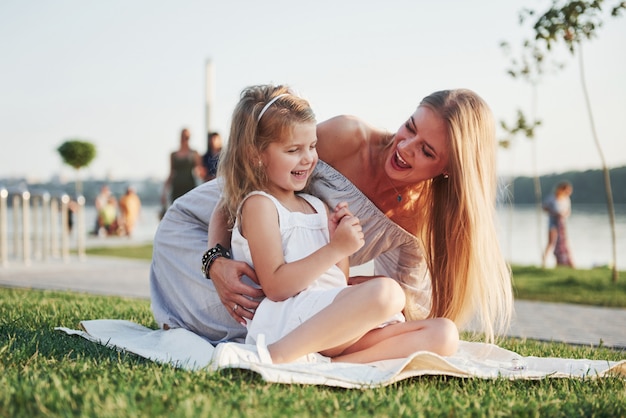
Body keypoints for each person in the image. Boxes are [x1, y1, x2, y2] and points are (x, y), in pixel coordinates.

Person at [150, 86, 512, 348]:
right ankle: (279, 353)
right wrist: (216, 262)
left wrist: (348, 288)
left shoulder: (417, 220)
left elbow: (400, 303)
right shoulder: (348, 138)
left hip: (282, 282)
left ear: (449, 170)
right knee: (258, 308)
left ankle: (301, 355)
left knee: (344, 318)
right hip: (200, 236)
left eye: (426, 151)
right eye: (410, 127)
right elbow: (235, 194)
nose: (404, 148)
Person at [213, 85, 458, 364]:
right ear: (257, 155)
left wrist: (341, 246)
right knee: (388, 293)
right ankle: (275, 357)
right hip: (288, 319)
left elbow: (335, 281)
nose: (308, 159)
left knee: (444, 334)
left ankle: (332, 367)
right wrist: (335, 249)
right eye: (294, 150)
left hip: (327, 324)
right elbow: (276, 287)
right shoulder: (259, 205)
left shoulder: (317, 207)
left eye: (313, 146)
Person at [161, 128, 203, 207]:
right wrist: (164, 192)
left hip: (189, 187)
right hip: (176, 187)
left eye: (187, 137)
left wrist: (199, 172)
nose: (185, 139)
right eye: (184, 136)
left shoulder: (194, 153)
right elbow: (171, 173)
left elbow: (200, 171)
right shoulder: (173, 154)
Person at [542, 181, 574, 268]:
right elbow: (544, 207)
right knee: (551, 242)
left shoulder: (567, 199)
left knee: (561, 243)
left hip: (561, 223)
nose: (568, 193)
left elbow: (568, 211)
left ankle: (559, 262)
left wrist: (563, 214)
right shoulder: (551, 198)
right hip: (552, 221)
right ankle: (544, 261)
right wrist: (553, 212)